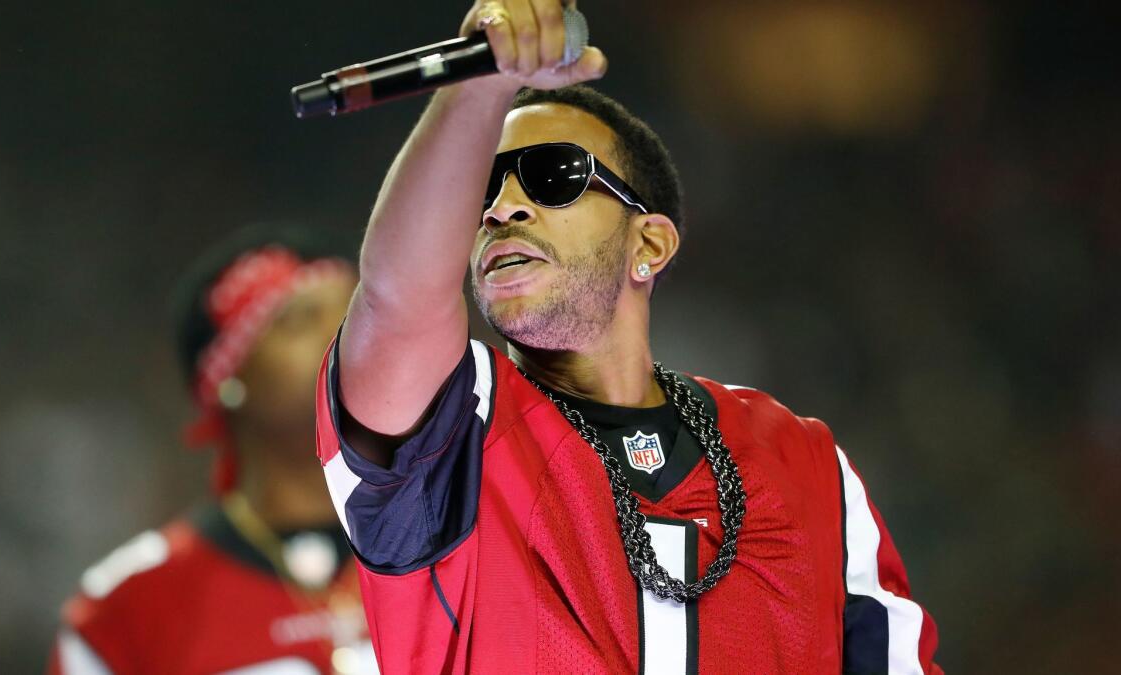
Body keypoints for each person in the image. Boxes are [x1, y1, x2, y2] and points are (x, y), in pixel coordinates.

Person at [314, 1, 941, 673]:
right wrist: (480, 88)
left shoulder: (805, 460)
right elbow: (397, 297)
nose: (501, 207)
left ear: (650, 241)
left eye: (553, 176)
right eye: (483, 189)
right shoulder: (451, 433)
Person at [48, 225, 375, 675]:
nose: (343, 332)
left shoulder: (465, 541)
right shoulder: (128, 606)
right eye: (300, 320)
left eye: (357, 310)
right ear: (226, 379)